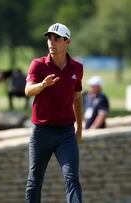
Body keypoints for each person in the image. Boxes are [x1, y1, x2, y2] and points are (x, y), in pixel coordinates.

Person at [25, 23, 83, 203]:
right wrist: (43, 85)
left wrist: (79, 128)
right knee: (35, 180)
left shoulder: (77, 68)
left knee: (72, 178)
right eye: (49, 38)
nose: (52, 42)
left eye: (57, 38)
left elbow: (77, 97)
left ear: (67, 41)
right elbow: (27, 91)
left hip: (65, 133)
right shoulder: (38, 65)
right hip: (41, 132)